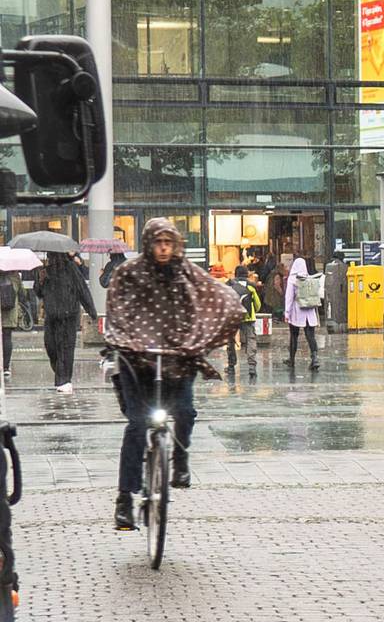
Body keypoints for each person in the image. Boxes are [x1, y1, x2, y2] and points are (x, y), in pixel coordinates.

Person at [103, 219, 242, 530]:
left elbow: (214, 294)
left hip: (177, 359)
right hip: (137, 360)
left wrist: (209, 329)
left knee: (186, 412)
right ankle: (125, 499)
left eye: (169, 243)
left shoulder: (185, 271)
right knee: (138, 425)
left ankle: (180, 459)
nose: (164, 249)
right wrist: (127, 340)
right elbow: (117, 310)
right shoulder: (129, 273)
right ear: (149, 243)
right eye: (158, 243)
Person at [35, 248, 96, 394]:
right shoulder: (45, 271)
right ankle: (61, 376)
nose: (52, 258)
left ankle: (64, 381)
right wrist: (40, 280)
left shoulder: (71, 268)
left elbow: (82, 290)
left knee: (66, 348)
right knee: (51, 347)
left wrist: (91, 311)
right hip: (51, 317)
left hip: (69, 316)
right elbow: (38, 292)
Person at [283, 246, 321, 372]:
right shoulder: (310, 278)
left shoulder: (293, 280)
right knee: (310, 336)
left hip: (296, 311)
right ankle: (314, 357)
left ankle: (292, 359)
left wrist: (287, 312)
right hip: (309, 311)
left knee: (294, 335)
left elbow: (289, 297)